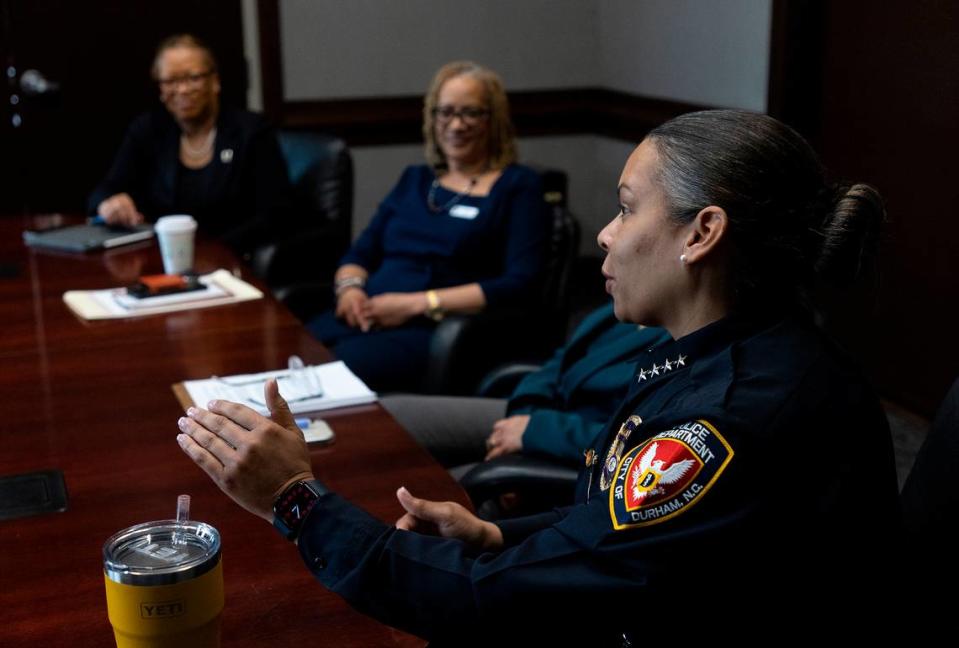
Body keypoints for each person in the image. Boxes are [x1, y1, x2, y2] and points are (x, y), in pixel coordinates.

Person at [176, 110, 901, 641]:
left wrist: (293, 501)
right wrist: (495, 533)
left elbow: (494, 601)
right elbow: (620, 520)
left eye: (624, 208)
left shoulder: (730, 418)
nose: (606, 234)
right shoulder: (710, 346)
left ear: (701, 233)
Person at [306, 61, 551, 392]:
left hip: (434, 329)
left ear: (493, 120)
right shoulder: (415, 180)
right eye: (445, 112)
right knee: (293, 354)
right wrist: (349, 289)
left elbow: (519, 283)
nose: (456, 124)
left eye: (470, 113)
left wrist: (415, 304)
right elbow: (361, 251)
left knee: (332, 378)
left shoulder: (519, 187)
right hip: (367, 313)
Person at [380, 301, 671, 471]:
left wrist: (533, 435)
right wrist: (524, 416)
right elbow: (558, 363)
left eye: (629, 211)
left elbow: (644, 449)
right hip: (538, 414)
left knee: (425, 494)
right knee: (385, 417)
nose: (606, 236)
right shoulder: (632, 300)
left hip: (570, 453)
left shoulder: (689, 342)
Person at [88, 34, 291, 255]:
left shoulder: (251, 132)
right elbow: (105, 189)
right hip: (161, 257)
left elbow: (275, 215)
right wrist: (108, 204)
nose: (182, 90)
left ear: (215, 82)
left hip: (232, 256)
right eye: (171, 81)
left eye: (193, 78)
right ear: (161, 89)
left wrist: (209, 251)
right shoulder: (148, 130)